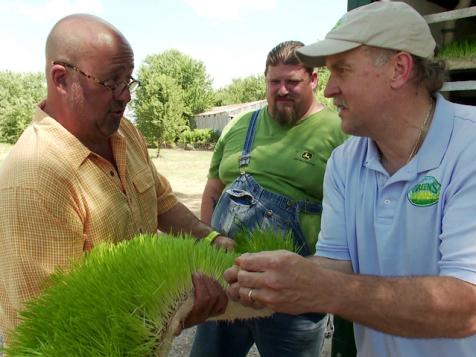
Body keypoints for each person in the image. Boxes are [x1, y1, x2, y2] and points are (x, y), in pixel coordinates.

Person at [224, 2, 476, 356]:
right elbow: (336, 263)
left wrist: (325, 289)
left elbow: (468, 306)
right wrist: (265, 277)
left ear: (399, 69)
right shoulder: (345, 161)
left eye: (341, 70)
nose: (328, 90)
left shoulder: (469, 147)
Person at [0, 14, 233, 348]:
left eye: (129, 81)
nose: (126, 96)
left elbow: (162, 201)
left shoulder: (124, 133)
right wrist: (172, 310)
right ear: (61, 79)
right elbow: (53, 331)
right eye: (112, 82)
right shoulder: (34, 180)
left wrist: (211, 240)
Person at [191, 41, 346, 357]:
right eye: (274, 82)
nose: (282, 90)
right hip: (226, 281)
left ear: (313, 80)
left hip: (294, 295)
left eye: (293, 82)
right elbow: (212, 191)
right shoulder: (239, 125)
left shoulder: (340, 131)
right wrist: (205, 253)